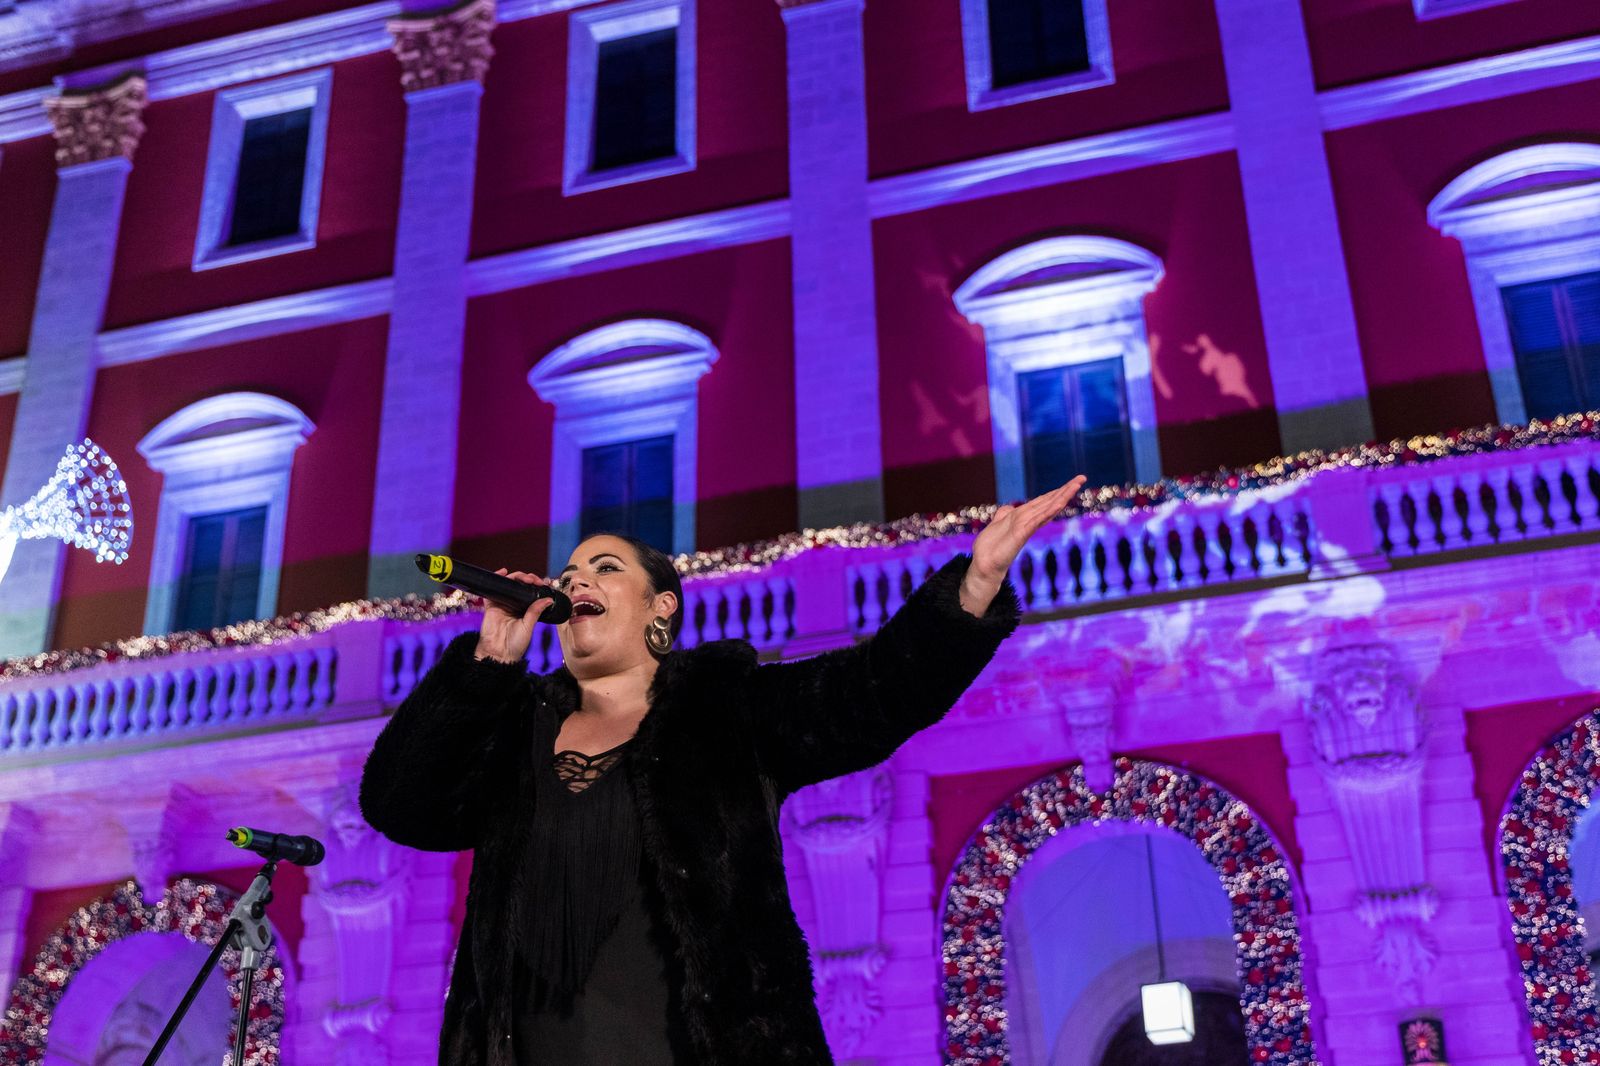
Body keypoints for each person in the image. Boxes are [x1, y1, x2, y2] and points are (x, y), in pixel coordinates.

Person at [359, 476, 1087, 1065]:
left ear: (660, 609)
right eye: (569, 571)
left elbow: (875, 693)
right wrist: (488, 662)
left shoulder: (724, 710)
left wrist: (975, 583)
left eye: (605, 568)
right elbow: (398, 803)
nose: (576, 578)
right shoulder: (515, 730)